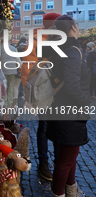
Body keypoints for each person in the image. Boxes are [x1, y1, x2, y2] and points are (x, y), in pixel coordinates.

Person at [43, 15, 90, 197]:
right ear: (72, 28)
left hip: (59, 109)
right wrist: (86, 103)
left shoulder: (56, 48)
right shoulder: (72, 51)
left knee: (67, 157)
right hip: (70, 112)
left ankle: (71, 190)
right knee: (66, 159)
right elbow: (72, 85)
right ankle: (59, 193)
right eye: (77, 25)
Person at [21, 12, 61, 181]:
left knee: (54, 127)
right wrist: (34, 90)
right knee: (45, 126)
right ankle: (45, 163)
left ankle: (57, 163)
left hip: (58, 91)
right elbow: (28, 68)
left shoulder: (44, 39)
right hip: (46, 91)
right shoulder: (38, 40)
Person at [0, 38, 21, 109]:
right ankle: (9, 104)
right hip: (12, 72)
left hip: (2, 72)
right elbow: (19, 62)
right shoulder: (14, 49)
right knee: (10, 88)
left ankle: (4, 104)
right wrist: (17, 67)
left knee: (3, 89)